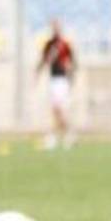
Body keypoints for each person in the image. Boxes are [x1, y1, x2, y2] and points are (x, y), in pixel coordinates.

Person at [35, 18, 77, 150]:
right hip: (53, 80)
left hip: (62, 81)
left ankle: (58, 135)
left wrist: (71, 79)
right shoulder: (49, 44)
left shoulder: (65, 44)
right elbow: (43, 60)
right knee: (55, 110)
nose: (55, 29)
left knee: (59, 109)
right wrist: (37, 73)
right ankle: (66, 134)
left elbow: (72, 62)